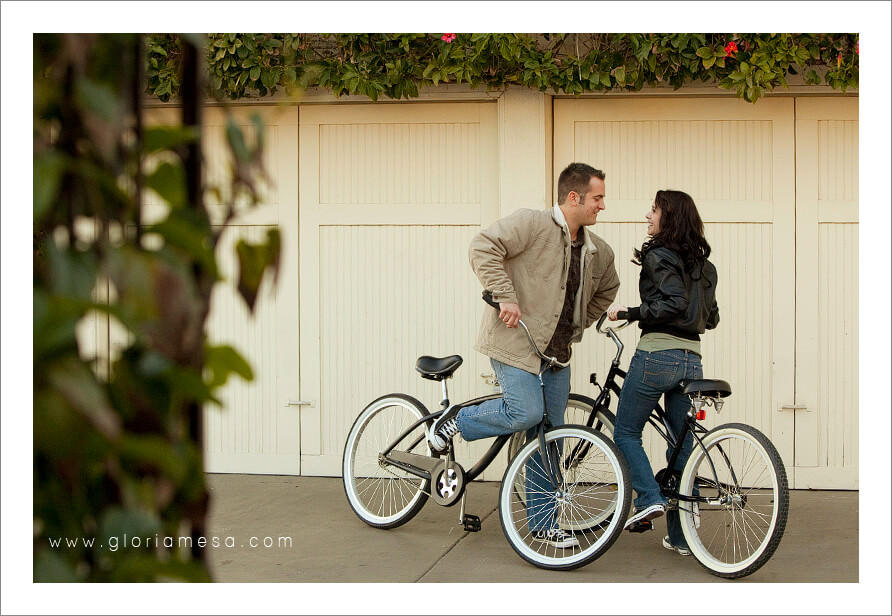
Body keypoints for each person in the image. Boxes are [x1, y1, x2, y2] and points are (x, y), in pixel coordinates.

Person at [428, 162, 620, 548]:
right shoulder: (532, 225)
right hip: (515, 343)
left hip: (557, 355)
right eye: (597, 198)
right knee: (526, 413)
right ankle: (454, 422)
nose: (602, 206)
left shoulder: (598, 250)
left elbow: (608, 288)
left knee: (551, 437)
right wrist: (505, 295)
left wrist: (578, 323)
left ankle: (543, 522)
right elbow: (483, 246)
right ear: (573, 197)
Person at [606, 189, 719, 556]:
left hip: (657, 355)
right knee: (680, 444)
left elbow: (671, 303)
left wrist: (628, 313)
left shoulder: (659, 253)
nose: (647, 216)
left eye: (653, 210)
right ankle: (683, 536)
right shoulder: (705, 265)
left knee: (625, 432)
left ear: (667, 216)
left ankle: (649, 498)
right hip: (692, 359)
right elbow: (711, 317)